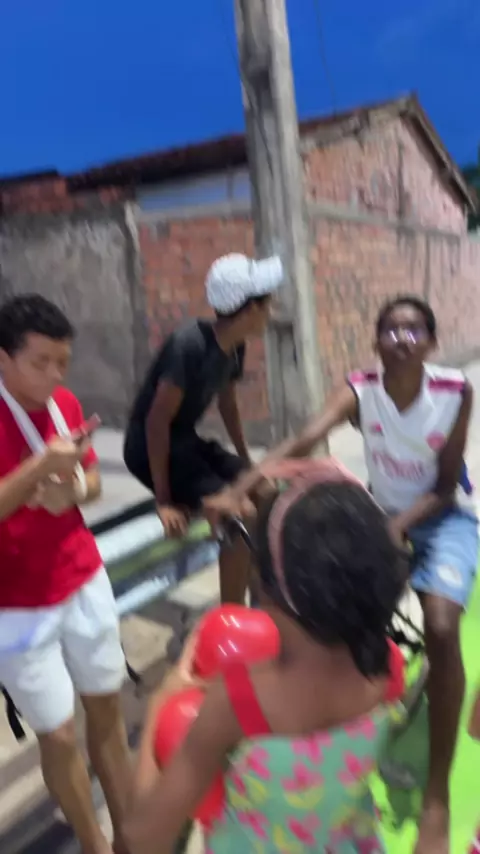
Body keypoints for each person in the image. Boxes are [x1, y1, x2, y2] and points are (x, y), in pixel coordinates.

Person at [205, 295, 479, 854]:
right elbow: (302, 440)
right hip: (381, 514)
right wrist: (241, 486)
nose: (402, 338)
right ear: (375, 342)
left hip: (439, 518)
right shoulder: (362, 389)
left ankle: (435, 797)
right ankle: (341, 742)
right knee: (336, 608)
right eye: (391, 329)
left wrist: (394, 528)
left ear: (431, 342)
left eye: (415, 330)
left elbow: (443, 486)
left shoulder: (455, 391)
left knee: (441, 627)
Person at [122, 457, 407, 854]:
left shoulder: (236, 701)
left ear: (267, 585)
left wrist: (161, 701)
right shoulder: (389, 665)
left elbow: (140, 839)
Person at [0, 295, 131, 854]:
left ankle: (131, 834)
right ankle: (92, 842)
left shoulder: (65, 405)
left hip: (81, 579)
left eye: (63, 363)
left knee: (107, 709)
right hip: (16, 604)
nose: (55, 376)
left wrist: (72, 489)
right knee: (56, 734)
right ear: (3, 359)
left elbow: (92, 481)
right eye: (41, 362)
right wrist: (39, 469)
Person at [123, 252, 284, 604]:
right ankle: (231, 615)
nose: (270, 313)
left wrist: (246, 462)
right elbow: (156, 422)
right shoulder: (189, 345)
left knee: (266, 491)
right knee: (238, 513)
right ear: (249, 309)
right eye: (267, 305)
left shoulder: (236, 347)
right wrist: (164, 500)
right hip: (148, 448)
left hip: (186, 442)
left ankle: (261, 597)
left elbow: (228, 404)